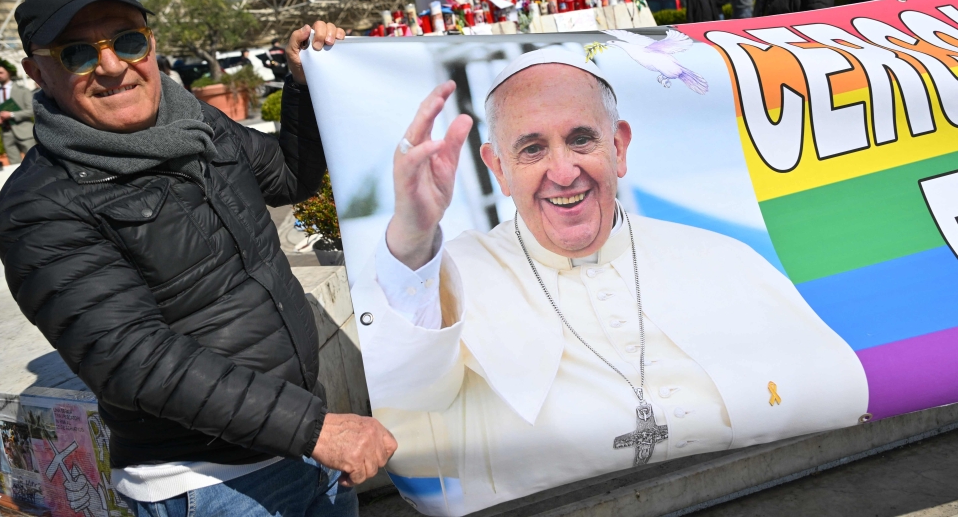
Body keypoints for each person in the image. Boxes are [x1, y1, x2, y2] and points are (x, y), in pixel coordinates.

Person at [352, 48, 869, 515]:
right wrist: (416, 238)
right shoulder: (451, 273)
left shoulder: (715, 255)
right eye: (532, 149)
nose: (563, 171)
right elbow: (412, 389)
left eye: (582, 140)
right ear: (499, 169)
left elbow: (838, 391)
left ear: (618, 147)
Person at [0, 0, 396, 517]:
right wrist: (313, 428)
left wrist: (302, 85)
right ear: (37, 72)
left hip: (306, 447)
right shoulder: (41, 203)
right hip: (212, 484)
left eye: (128, 41)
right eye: (77, 53)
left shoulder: (196, 123)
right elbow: (131, 358)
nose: (112, 67)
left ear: (151, 44)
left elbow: (288, 178)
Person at [0, 58, 36, 165]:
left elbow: (32, 110)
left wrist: (11, 114)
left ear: (9, 72)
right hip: (7, 133)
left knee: (34, 162)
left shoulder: (23, 90)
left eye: (1, 72)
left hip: (24, 131)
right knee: (14, 166)